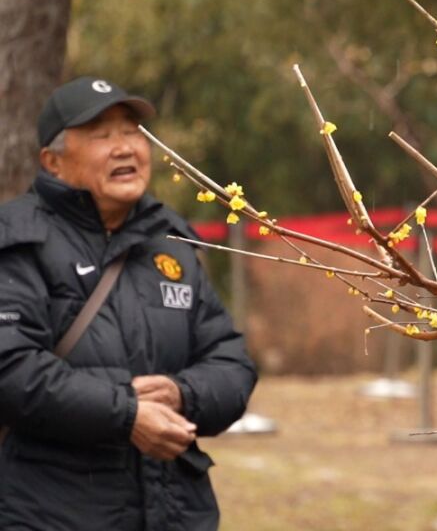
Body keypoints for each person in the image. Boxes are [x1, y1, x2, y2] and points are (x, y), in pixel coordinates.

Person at [0, 76, 258, 530]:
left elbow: (232, 362)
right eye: (101, 134)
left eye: (132, 131)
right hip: (49, 514)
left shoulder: (171, 245)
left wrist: (183, 393)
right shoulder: (18, 240)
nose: (124, 147)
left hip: (174, 511)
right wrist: (126, 412)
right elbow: (11, 369)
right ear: (52, 162)